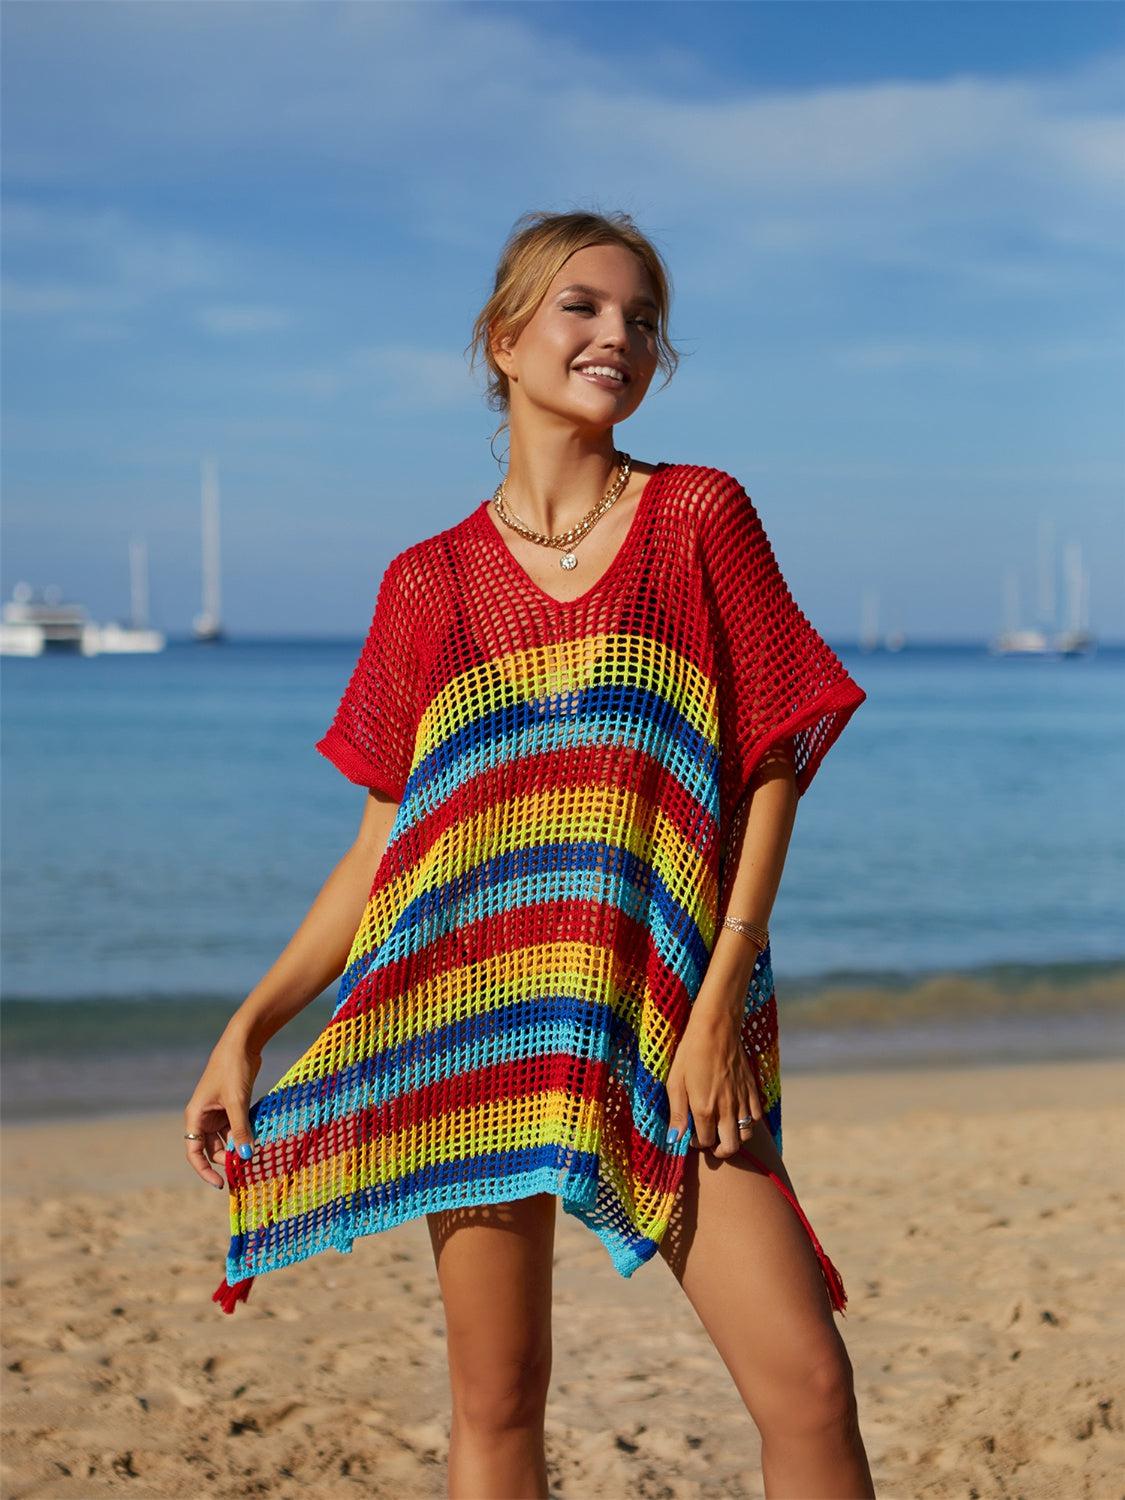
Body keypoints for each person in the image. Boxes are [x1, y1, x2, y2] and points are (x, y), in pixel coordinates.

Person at [184, 208, 876, 1499]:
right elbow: (382, 848)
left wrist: (718, 994)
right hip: (478, 1018)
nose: (616, 335)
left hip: (670, 1014)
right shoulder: (428, 585)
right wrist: (253, 1021)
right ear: (503, 342)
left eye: (640, 319)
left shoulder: (694, 519)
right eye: (582, 307)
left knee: (808, 1387)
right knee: (496, 1404)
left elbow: (771, 754)